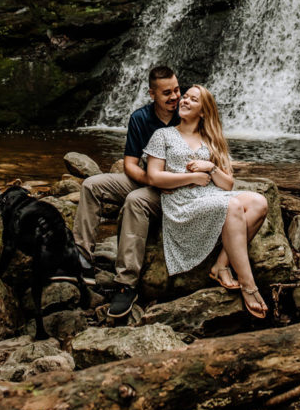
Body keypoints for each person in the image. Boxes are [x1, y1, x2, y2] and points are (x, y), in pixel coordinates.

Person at [145, 84, 269, 319]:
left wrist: (210, 167)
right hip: (182, 202)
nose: (184, 101)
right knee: (232, 205)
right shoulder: (163, 135)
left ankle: (221, 265)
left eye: (193, 99)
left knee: (259, 203)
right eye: (186, 97)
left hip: (211, 195)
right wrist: (191, 176)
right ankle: (248, 285)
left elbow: (227, 185)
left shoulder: (212, 140)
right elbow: (154, 176)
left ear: (203, 111)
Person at [73, 64, 181, 321]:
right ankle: (82, 259)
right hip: (147, 178)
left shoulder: (187, 114)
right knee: (91, 185)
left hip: (176, 185)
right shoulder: (140, 118)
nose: (175, 97)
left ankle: (126, 283)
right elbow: (130, 165)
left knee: (135, 200)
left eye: (177, 90)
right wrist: (151, 179)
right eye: (167, 93)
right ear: (152, 94)